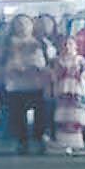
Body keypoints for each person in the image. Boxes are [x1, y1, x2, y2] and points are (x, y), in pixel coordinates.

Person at [0, 21, 52, 154]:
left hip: (37, 83)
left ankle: (39, 139)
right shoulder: (6, 43)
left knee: (41, 114)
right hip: (15, 85)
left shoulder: (41, 43)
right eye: (19, 23)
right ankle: (22, 142)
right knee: (18, 115)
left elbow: (50, 61)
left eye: (26, 23)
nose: (23, 26)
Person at [50, 35, 85, 154]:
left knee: (76, 116)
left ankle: (76, 142)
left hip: (77, 91)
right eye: (64, 44)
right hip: (62, 90)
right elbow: (50, 77)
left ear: (75, 46)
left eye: (70, 44)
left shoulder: (80, 60)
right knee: (64, 116)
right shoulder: (56, 61)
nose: (67, 47)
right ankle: (63, 142)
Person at [34, 14, 62, 142]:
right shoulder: (34, 41)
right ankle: (41, 131)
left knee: (54, 105)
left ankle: (54, 130)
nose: (45, 26)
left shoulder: (57, 40)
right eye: (42, 23)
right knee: (42, 105)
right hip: (40, 79)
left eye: (48, 23)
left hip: (57, 78)